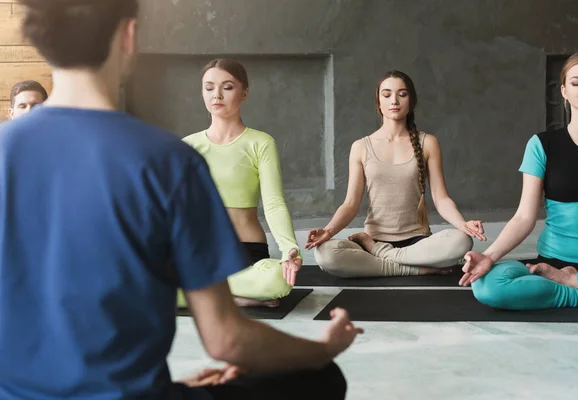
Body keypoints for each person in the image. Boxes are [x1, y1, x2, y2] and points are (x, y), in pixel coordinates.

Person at [0, 1, 361, 399]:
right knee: (322, 378)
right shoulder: (169, 159)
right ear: (129, 35)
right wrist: (322, 350)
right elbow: (226, 340)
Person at [305, 70, 484, 277]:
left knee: (462, 241)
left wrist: (463, 224)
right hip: (375, 236)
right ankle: (414, 269)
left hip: (417, 243)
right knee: (326, 254)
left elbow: (441, 198)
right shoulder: (361, 146)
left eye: (402, 94)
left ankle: (382, 255)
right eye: (387, 94)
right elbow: (350, 204)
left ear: (411, 101)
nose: (394, 101)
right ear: (378, 102)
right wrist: (328, 231)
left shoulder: (428, 143)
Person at [459, 49, 578, 310]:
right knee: (489, 285)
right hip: (553, 264)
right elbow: (525, 217)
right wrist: (489, 257)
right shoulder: (542, 145)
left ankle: (575, 284)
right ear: (564, 92)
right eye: (577, 82)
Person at [182, 59, 302, 308]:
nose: (216, 94)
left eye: (227, 87)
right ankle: (234, 297)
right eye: (208, 87)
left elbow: (274, 203)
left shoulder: (260, 143)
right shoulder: (189, 146)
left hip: (245, 250)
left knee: (278, 279)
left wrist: (290, 248)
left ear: (244, 92)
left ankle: (204, 294)